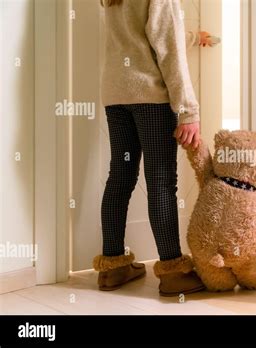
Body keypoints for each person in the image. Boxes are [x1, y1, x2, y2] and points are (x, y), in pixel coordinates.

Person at [93, 0, 212, 296]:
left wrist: (195, 37)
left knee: (120, 178)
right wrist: (188, 111)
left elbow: (145, 35)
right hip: (150, 97)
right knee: (160, 182)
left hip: (116, 94)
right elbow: (168, 47)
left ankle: (112, 267)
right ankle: (173, 271)